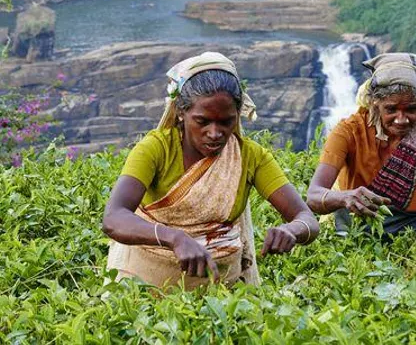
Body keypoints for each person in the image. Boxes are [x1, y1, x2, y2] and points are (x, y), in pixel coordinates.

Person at [103, 52, 319, 288]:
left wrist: (292, 230)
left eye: (226, 121)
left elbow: (307, 219)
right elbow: (114, 217)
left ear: (237, 115)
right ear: (181, 114)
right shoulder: (156, 149)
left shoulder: (251, 157)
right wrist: (175, 238)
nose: (215, 133)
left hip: (221, 298)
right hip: (143, 291)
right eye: (202, 121)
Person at [306, 53, 416, 251]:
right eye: (391, 109)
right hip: (356, 227)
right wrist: (345, 197)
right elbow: (314, 195)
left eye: (411, 110)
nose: (401, 119)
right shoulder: (350, 131)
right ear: (375, 104)